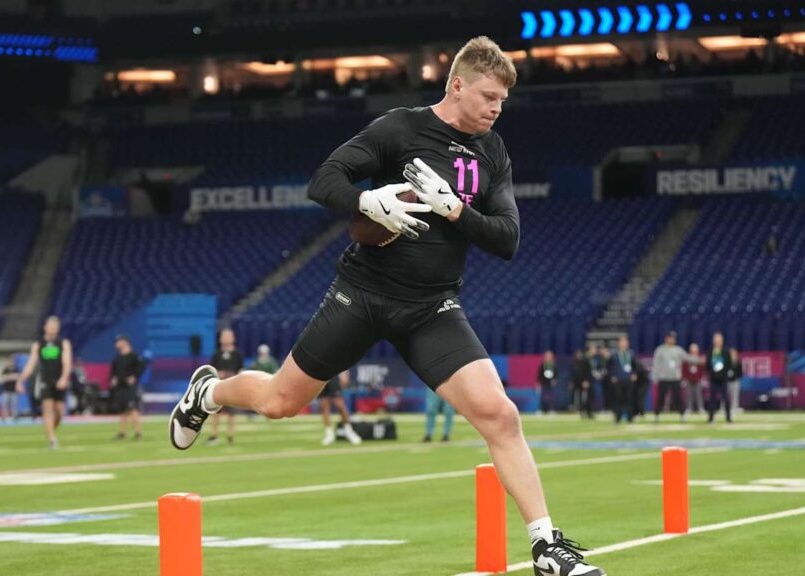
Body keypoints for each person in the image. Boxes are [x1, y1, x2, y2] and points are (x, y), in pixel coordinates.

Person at [168, 37, 604, 576]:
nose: (497, 108)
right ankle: (208, 393)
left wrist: (454, 210)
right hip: (363, 295)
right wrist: (366, 200)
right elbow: (323, 181)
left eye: (503, 100)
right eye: (489, 96)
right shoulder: (401, 128)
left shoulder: (492, 152)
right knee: (281, 402)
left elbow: (507, 239)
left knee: (501, 415)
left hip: (431, 308)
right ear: (458, 85)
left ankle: (546, 548)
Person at [15, 316, 73, 449]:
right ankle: (52, 439)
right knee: (48, 409)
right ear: (45, 327)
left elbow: (67, 362)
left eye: (55, 326)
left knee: (59, 412)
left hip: (59, 380)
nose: (52, 329)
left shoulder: (63, 343)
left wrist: (64, 378)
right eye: (50, 326)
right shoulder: (38, 344)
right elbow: (31, 364)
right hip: (45, 380)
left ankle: (50, 430)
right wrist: (20, 381)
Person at [652, 331, 701, 423]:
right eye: (670, 338)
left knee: (678, 397)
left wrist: (698, 360)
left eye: (673, 338)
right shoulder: (660, 350)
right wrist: (655, 377)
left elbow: (687, 357)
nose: (671, 340)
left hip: (675, 378)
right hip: (663, 378)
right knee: (661, 397)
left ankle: (682, 415)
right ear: (666, 338)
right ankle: (656, 415)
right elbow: (656, 364)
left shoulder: (678, 350)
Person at [206, 329, 243, 446]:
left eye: (228, 336)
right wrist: (218, 373)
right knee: (216, 411)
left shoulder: (237, 354)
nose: (226, 338)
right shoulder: (216, 353)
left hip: (232, 387)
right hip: (220, 385)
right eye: (224, 336)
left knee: (232, 413)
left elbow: (241, 369)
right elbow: (212, 369)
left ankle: (230, 436)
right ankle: (214, 435)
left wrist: (236, 377)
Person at [110, 335, 145, 440]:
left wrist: (134, 376)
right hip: (120, 386)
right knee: (122, 409)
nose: (116, 344)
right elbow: (114, 370)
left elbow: (141, 366)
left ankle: (138, 432)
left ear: (125, 342)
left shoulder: (134, 356)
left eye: (118, 341)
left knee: (132, 407)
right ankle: (122, 432)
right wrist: (114, 378)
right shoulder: (117, 357)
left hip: (130, 387)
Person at [319, 369, 363, 446]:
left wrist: (345, 373)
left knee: (340, 406)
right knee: (324, 406)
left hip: (333, 374)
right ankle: (329, 434)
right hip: (320, 374)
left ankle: (349, 432)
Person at [607, 336, 636, 424]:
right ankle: (618, 417)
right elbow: (609, 367)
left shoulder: (631, 353)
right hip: (618, 379)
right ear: (618, 344)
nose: (624, 344)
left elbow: (635, 365)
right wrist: (612, 376)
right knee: (618, 399)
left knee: (629, 398)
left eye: (625, 342)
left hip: (628, 379)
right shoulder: (614, 354)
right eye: (622, 342)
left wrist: (634, 374)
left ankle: (630, 418)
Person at [706, 333, 734, 424]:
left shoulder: (726, 351)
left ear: (722, 341)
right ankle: (711, 418)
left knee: (726, 398)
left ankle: (728, 418)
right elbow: (708, 365)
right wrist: (712, 374)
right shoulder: (710, 351)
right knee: (712, 399)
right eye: (716, 339)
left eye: (719, 339)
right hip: (713, 379)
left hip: (723, 379)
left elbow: (729, 364)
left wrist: (723, 374)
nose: (717, 341)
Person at [682, 343, 705, 416]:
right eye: (693, 351)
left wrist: (700, 378)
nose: (694, 352)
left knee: (699, 395)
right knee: (689, 395)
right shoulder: (687, 359)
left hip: (697, 380)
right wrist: (685, 378)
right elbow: (684, 370)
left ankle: (700, 408)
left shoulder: (700, 359)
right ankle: (689, 408)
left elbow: (702, 370)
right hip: (689, 380)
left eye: (695, 351)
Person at [0, 355, 19, 423]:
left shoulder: (16, 369)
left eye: (13, 362)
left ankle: (15, 418)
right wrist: (10, 377)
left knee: (14, 405)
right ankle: (3, 417)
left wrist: (8, 377)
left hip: (14, 391)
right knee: (4, 404)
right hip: (6, 390)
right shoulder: (5, 370)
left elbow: (17, 377)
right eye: (10, 361)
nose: (11, 363)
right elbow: (2, 378)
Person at [571, 349, 593, 418]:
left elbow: (588, 372)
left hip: (584, 382)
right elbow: (574, 373)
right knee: (579, 398)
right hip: (577, 383)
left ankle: (588, 412)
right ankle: (581, 411)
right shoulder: (574, 362)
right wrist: (572, 382)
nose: (578, 355)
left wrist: (586, 381)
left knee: (586, 398)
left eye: (579, 354)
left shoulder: (585, 361)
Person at [536, 350, 556, 415]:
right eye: (547, 356)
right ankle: (540, 410)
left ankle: (551, 410)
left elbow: (556, 374)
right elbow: (539, 375)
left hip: (550, 384)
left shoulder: (553, 365)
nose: (548, 357)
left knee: (551, 397)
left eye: (549, 356)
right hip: (543, 383)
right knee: (542, 398)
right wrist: (539, 383)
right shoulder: (542, 365)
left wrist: (555, 380)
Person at [728, 348, 743, 415]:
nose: (732, 355)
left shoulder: (738, 362)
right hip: (728, 381)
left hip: (736, 381)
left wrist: (736, 377)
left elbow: (740, 373)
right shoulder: (727, 362)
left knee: (735, 395)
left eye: (734, 354)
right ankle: (723, 408)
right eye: (731, 354)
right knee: (725, 395)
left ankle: (734, 408)